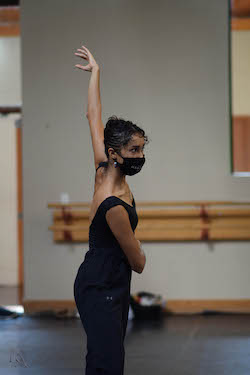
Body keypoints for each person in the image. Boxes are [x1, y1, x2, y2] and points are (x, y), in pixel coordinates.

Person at [73, 44, 148, 375]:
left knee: (108, 359)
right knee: (107, 364)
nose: (140, 156)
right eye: (134, 150)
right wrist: (138, 246)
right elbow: (139, 262)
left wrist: (96, 73)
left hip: (112, 281)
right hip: (100, 284)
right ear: (116, 152)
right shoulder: (112, 204)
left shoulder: (104, 165)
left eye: (142, 149)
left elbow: (93, 115)